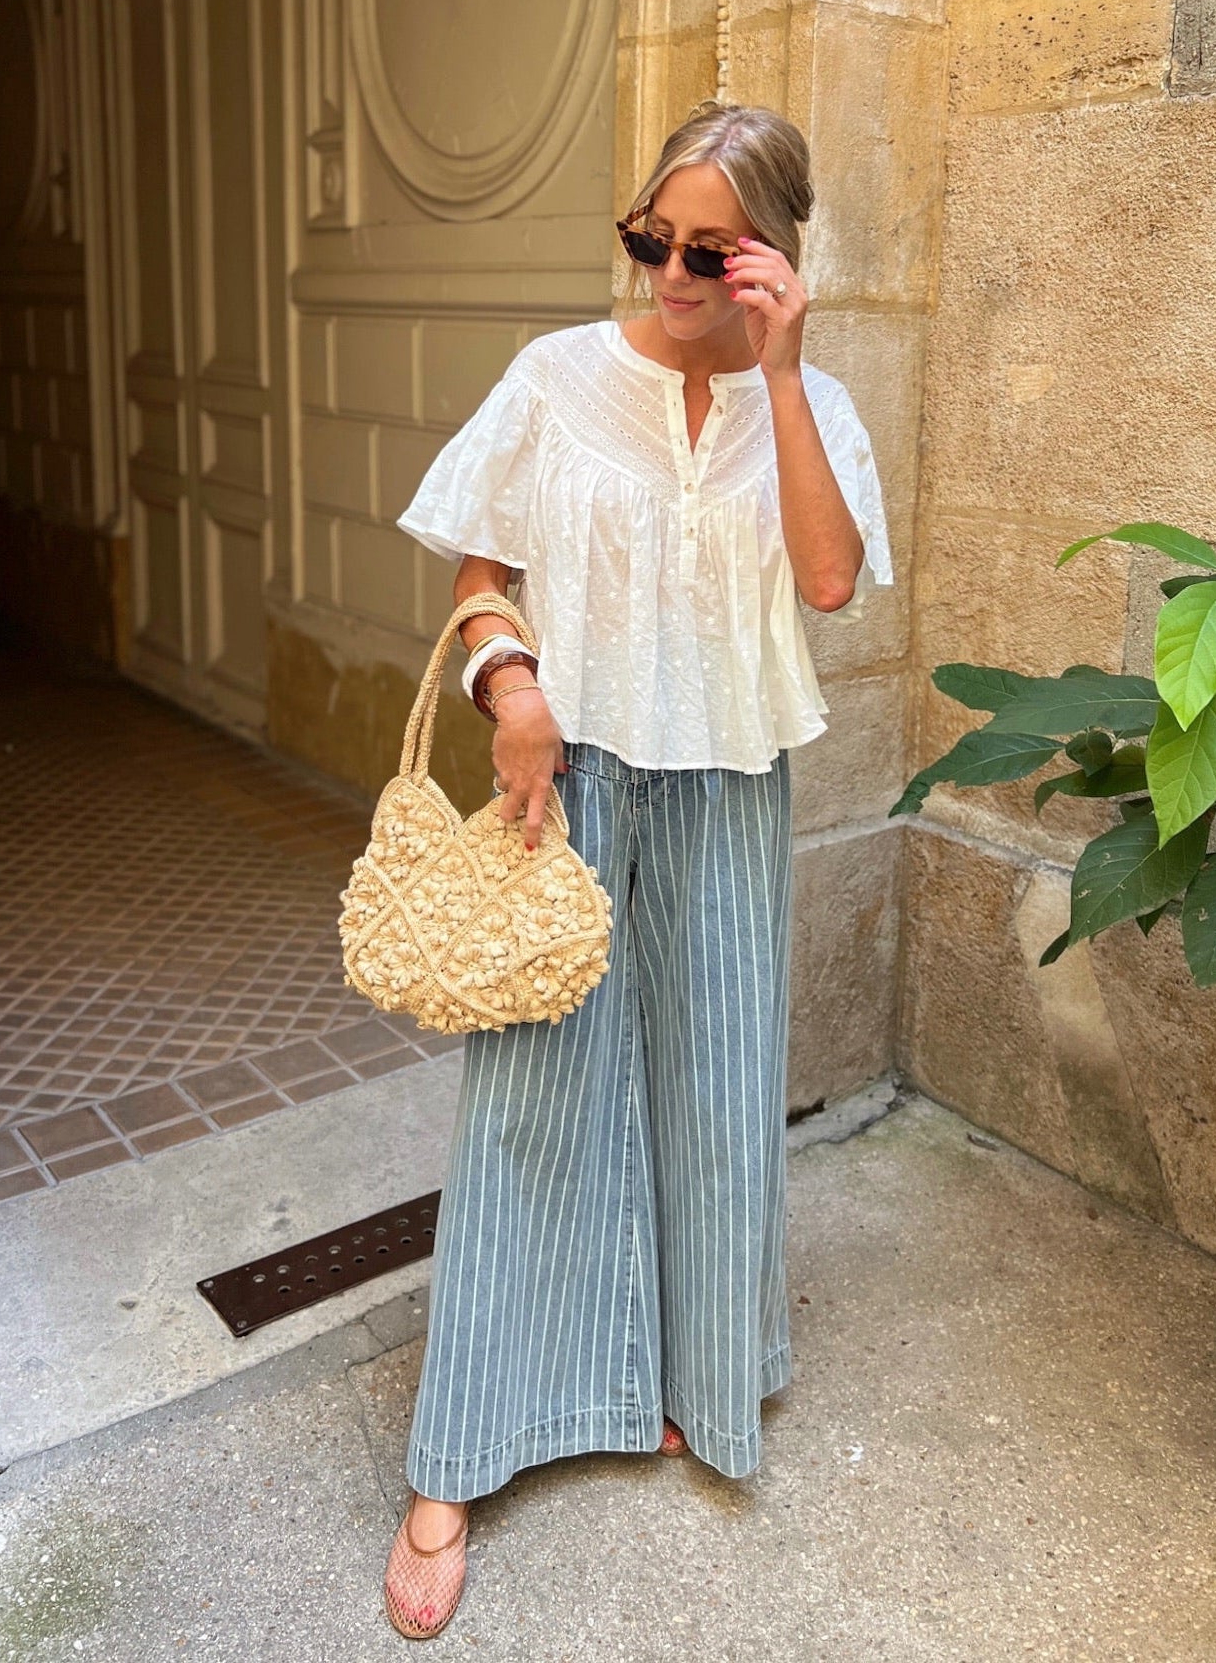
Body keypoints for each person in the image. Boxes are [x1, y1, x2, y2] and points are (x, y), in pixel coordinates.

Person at [382, 100, 892, 1638]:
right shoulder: (557, 378)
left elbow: (827, 581)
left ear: (773, 256)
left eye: (710, 251)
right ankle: (457, 1453)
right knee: (531, 1101)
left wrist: (781, 375)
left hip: (729, 782)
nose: (671, 274)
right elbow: (481, 574)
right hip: (574, 781)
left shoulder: (815, 404)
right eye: (650, 239)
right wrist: (511, 688)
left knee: (714, 1092)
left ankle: (685, 1372)